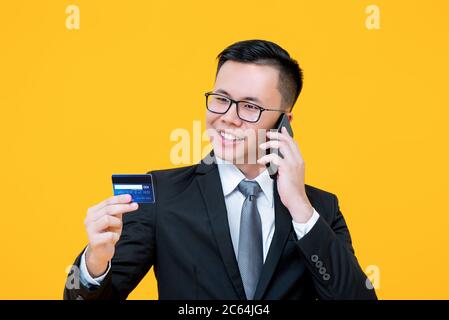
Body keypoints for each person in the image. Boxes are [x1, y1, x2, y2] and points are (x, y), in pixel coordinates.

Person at [64, 39, 377, 300]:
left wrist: (300, 208)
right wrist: (94, 262)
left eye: (250, 106)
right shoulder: (161, 194)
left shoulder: (320, 208)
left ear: (285, 124)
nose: (228, 116)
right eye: (221, 99)